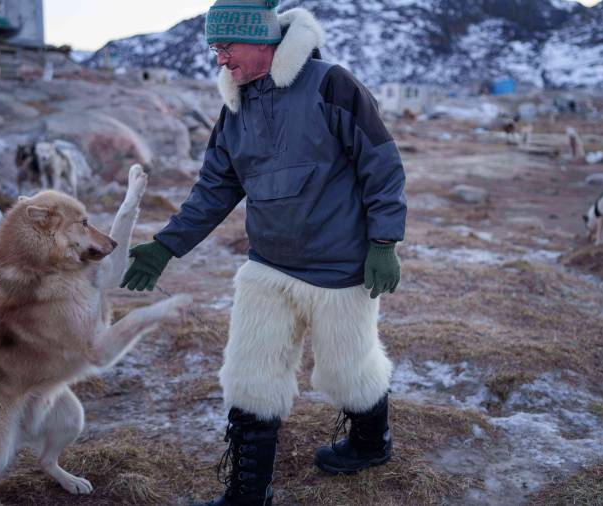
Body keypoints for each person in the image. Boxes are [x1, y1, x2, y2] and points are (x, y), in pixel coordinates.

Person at [121, 1, 406, 504]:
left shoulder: (330, 83)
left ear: (260, 39)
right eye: (215, 48)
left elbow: (379, 163)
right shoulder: (235, 106)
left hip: (339, 268)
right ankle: (248, 492)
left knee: (348, 371)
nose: (220, 60)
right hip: (268, 268)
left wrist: (384, 242)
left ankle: (370, 442)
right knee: (251, 377)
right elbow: (214, 188)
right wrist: (167, 245)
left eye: (225, 47)